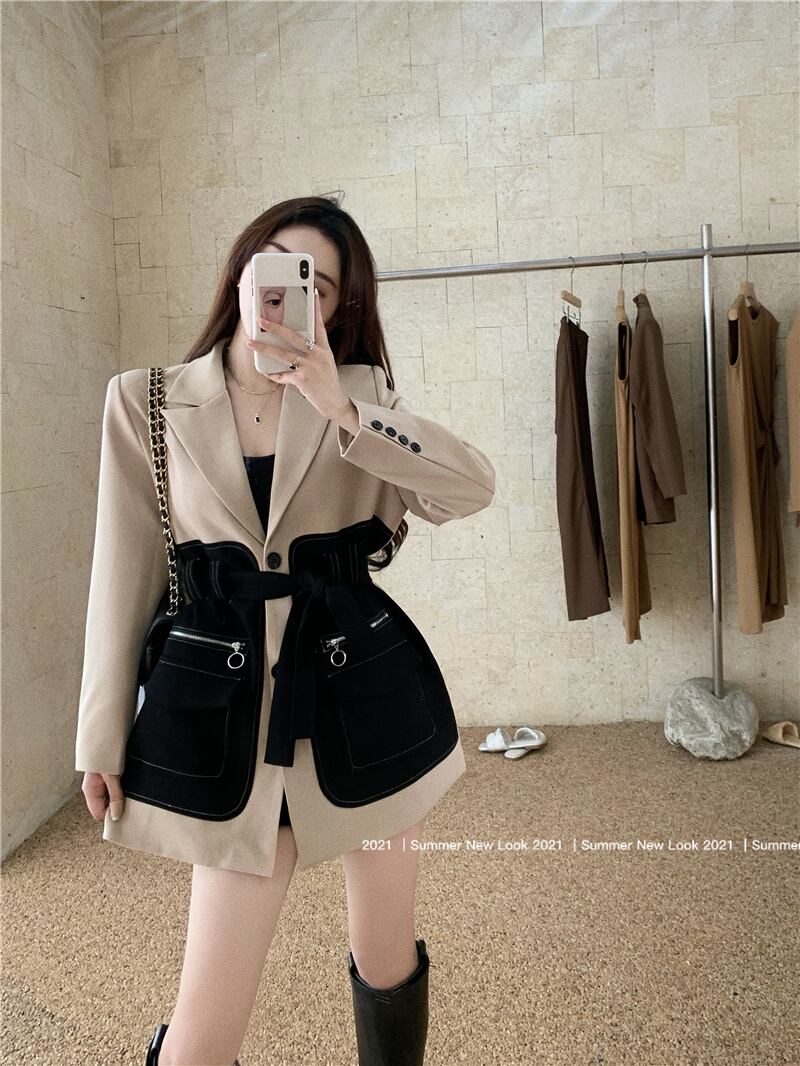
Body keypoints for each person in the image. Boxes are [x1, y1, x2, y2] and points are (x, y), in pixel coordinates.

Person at [75, 194, 496, 1066]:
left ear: (333, 309)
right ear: (241, 269)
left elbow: (469, 489)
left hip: (364, 695)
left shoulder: (359, 395)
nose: (281, 296)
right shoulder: (144, 401)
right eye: (270, 265)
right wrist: (100, 737)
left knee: (386, 957)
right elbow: (123, 573)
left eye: (317, 286)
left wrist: (343, 410)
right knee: (203, 1025)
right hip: (228, 719)